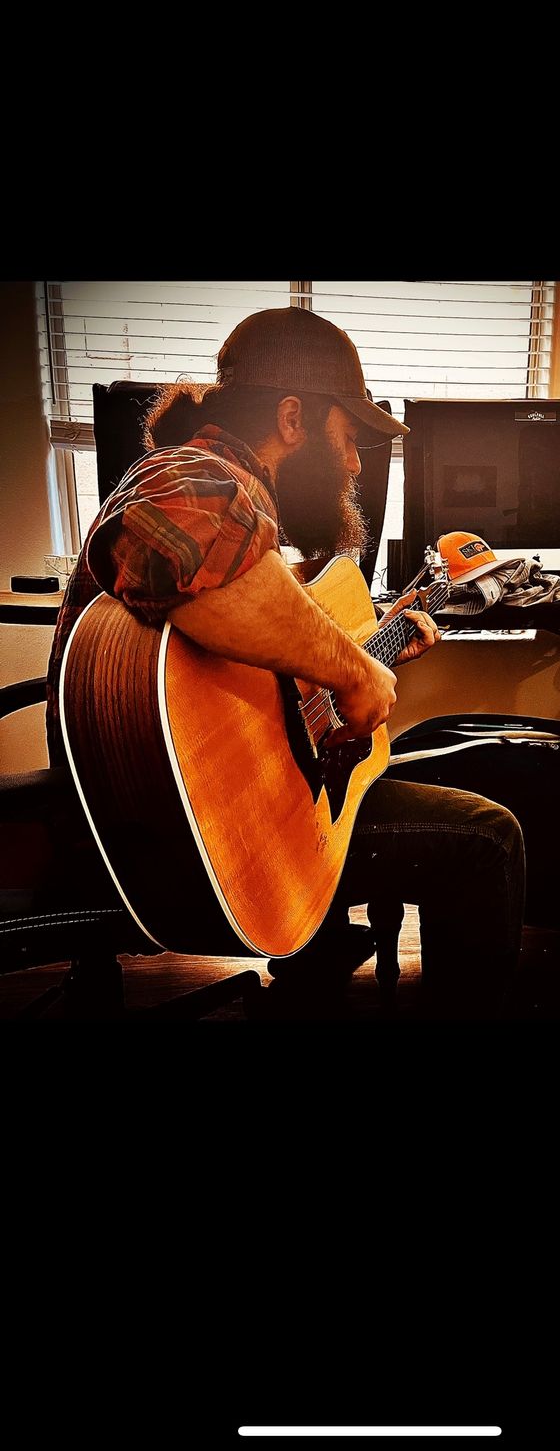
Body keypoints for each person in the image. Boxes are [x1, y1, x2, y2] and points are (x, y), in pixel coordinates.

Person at [46, 305, 525, 1018]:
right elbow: (171, 539)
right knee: (489, 836)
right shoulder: (192, 472)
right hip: (189, 833)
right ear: (293, 418)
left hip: (183, 823)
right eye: (348, 438)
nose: (356, 463)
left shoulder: (244, 504)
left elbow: (264, 641)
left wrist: (371, 648)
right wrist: (354, 672)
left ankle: (315, 957)